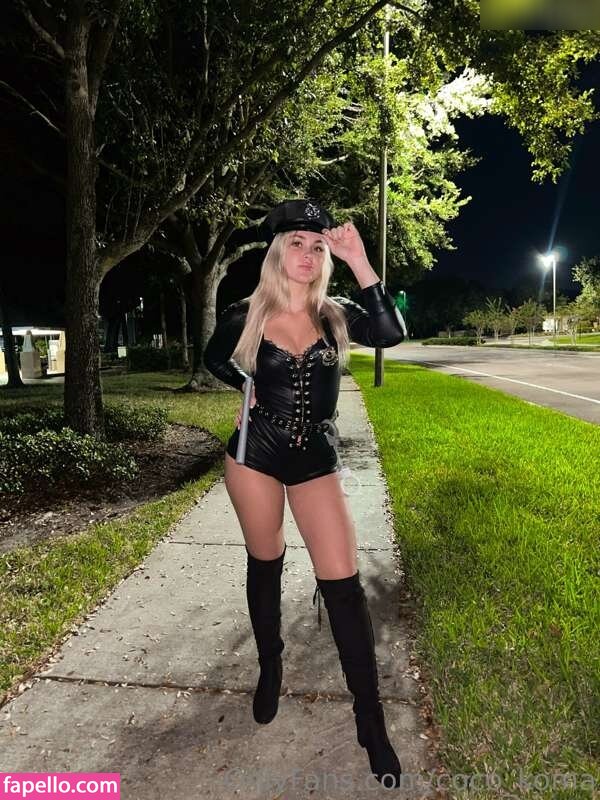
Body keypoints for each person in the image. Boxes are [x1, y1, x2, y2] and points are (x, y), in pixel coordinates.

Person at [203, 198, 406, 788]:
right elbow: (215, 359)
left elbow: (390, 333)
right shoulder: (245, 314)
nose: (308, 253)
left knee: (343, 584)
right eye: (297, 242)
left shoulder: (337, 314)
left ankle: (370, 721)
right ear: (276, 252)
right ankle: (270, 665)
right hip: (256, 456)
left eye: (318, 246)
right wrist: (248, 392)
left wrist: (360, 260)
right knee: (266, 560)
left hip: (315, 457)